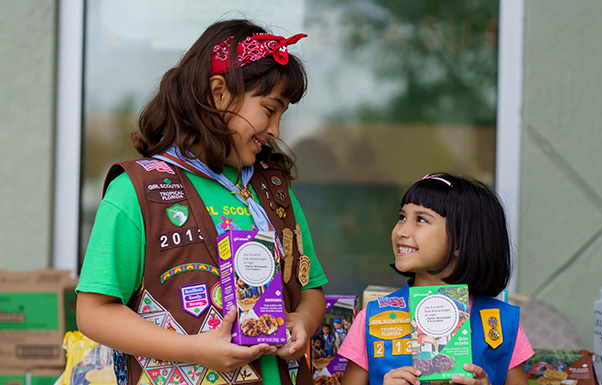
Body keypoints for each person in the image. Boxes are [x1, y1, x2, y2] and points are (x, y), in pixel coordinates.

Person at [75, 19, 328, 385]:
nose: (276, 130)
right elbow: (93, 312)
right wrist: (194, 349)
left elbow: (311, 291)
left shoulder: (274, 191)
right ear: (219, 93)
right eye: (270, 109)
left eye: (282, 115)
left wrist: (302, 321)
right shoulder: (137, 191)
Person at [338, 173, 534, 385]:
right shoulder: (372, 318)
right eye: (402, 217)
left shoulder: (501, 322)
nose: (401, 231)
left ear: (460, 241)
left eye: (421, 219)